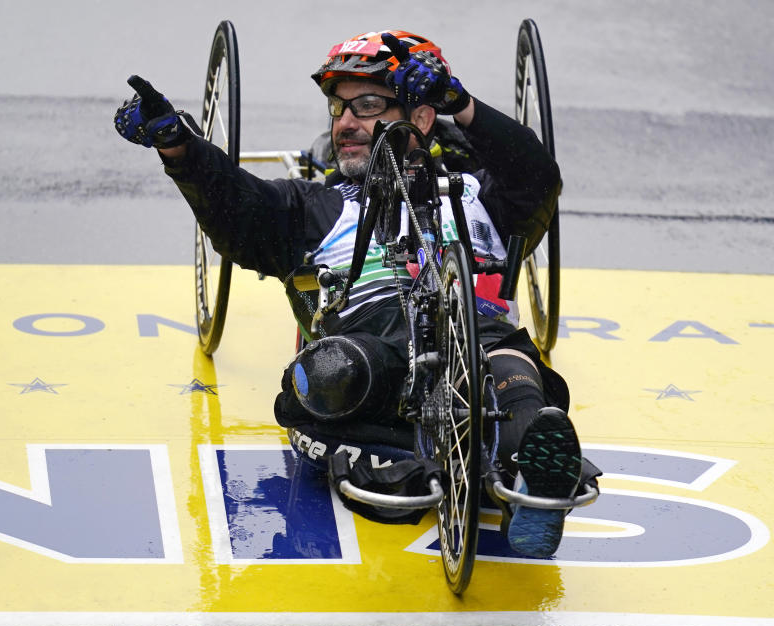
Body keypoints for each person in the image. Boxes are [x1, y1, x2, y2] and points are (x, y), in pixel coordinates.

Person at [114, 30, 600, 558]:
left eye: (367, 105)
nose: (344, 123)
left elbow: (537, 175)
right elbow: (238, 207)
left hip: (479, 337)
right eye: (338, 107)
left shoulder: (483, 194)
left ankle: (534, 478)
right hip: (374, 341)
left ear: (419, 116)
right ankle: (416, 461)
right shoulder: (316, 206)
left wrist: (460, 105)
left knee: (514, 371)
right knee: (333, 372)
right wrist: (179, 146)